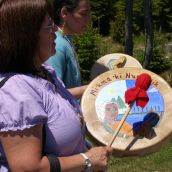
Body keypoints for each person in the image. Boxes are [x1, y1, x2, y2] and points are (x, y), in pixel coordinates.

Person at [0, 0, 112, 172]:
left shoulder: (45, 72)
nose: (55, 30)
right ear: (26, 35)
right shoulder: (17, 90)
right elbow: (27, 168)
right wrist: (87, 160)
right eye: (49, 26)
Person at [47, 0, 90, 98]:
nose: (88, 19)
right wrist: (92, 88)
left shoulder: (65, 39)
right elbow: (53, 93)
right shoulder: (57, 44)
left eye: (89, 13)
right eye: (83, 13)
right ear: (64, 13)